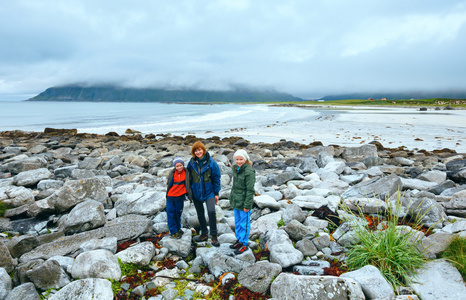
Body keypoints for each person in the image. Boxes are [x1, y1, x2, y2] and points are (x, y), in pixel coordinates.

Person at [186, 141, 221, 247]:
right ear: (193, 152)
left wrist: (216, 193)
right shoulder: (191, 163)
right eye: (196, 150)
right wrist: (188, 192)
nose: (198, 152)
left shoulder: (212, 163)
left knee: (211, 212)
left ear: (204, 150)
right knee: (200, 213)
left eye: (200, 150)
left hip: (209, 192)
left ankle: (214, 236)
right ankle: (204, 234)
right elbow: (188, 178)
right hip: (196, 192)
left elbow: (216, 178)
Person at [229, 149, 256, 255]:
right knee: (238, 222)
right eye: (237, 159)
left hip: (244, 202)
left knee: (244, 223)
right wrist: (231, 199)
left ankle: (244, 244)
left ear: (245, 159)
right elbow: (234, 187)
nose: (239, 161)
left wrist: (247, 205)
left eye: (241, 159)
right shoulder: (236, 169)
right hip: (236, 201)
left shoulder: (249, 171)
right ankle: (239, 240)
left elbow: (250, 190)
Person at [166, 157, 192, 239]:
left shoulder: (187, 172)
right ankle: (173, 232)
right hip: (171, 196)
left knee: (178, 213)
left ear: (183, 165)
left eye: (180, 165)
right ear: (174, 167)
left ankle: (178, 228)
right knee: (171, 214)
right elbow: (168, 183)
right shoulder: (172, 173)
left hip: (180, 197)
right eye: (177, 166)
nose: (179, 167)